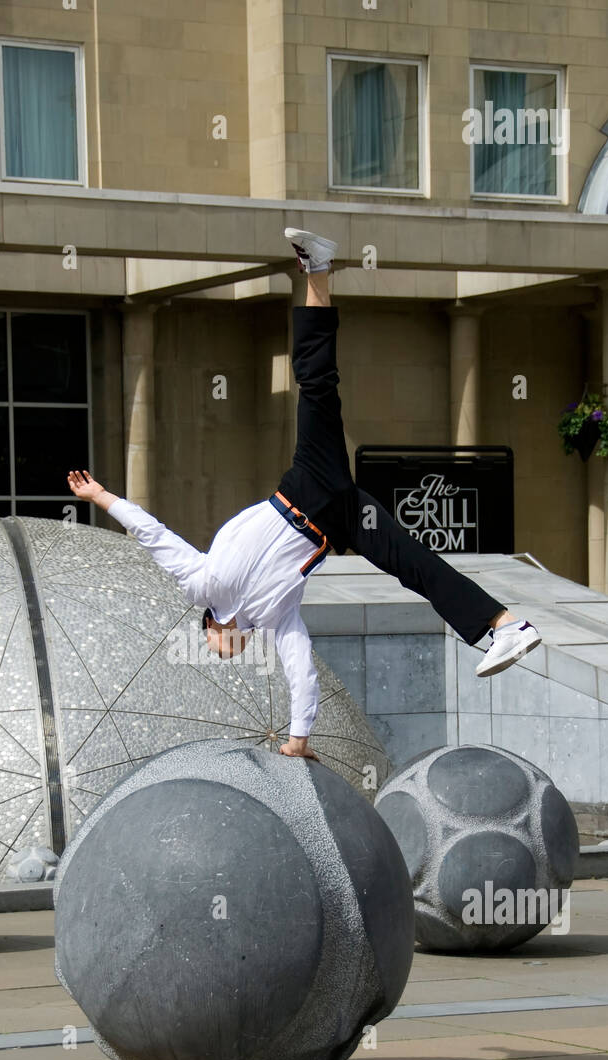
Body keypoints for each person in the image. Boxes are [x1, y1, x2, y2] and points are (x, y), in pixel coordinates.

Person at [67, 227, 540, 761]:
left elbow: (152, 535)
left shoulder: (202, 587)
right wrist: (298, 740)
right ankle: (507, 626)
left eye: (214, 650)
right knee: (416, 566)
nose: (223, 657)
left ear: (209, 627)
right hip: (337, 521)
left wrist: (103, 498)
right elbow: (302, 668)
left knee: (316, 384)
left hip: (306, 487)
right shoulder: (275, 618)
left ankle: (317, 271)